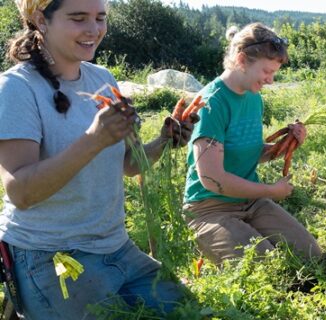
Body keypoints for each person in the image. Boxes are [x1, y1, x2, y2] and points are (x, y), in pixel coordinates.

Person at [0, 0, 195, 318]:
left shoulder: (102, 78)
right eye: (78, 18)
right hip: (51, 253)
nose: (94, 30)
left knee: (189, 311)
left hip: (116, 247)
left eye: (100, 18)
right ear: (41, 19)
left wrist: (163, 141)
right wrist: (93, 139)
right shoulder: (16, 88)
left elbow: (128, 164)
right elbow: (21, 192)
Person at [183, 23, 321, 264]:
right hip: (210, 208)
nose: (270, 80)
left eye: (274, 73)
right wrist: (271, 191)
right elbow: (212, 179)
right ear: (242, 60)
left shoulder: (253, 98)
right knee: (266, 268)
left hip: (251, 202)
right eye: (266, 72)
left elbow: (249, 153)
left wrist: (286, 145)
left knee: (310, 255)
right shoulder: (212, 103)